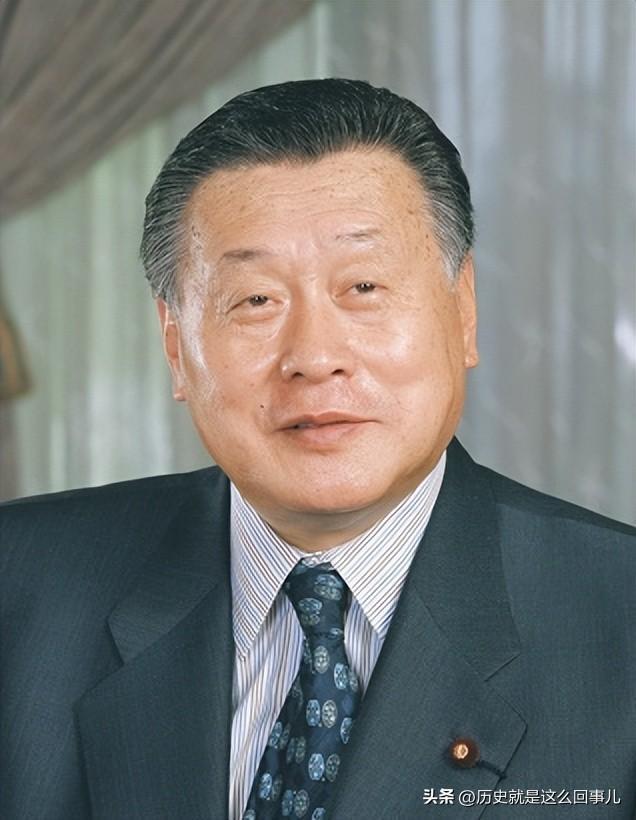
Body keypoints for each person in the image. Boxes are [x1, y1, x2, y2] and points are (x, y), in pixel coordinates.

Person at [1, 79, 634, 820]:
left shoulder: (617, 616)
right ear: (175, 346)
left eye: (363, 286)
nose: (314, 357)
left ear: (462, 311)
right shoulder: (20, 587)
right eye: (255, 300)